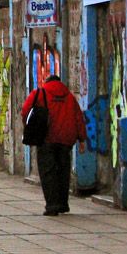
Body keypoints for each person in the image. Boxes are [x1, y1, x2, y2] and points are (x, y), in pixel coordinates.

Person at [21, 74, 87, 216]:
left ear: (47, 82)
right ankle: (63, 204)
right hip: (66, 139)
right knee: (63, 171)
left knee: (48, 172)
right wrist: (82, 139)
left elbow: (25, 110)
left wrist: (30, 127)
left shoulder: (39, 93)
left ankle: (52, 205)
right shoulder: (69, 97)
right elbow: (78, 118)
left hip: (47, 138)